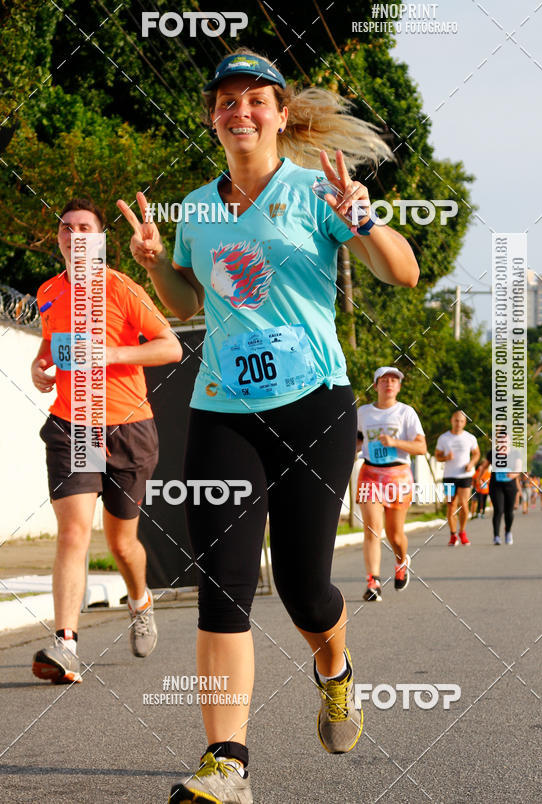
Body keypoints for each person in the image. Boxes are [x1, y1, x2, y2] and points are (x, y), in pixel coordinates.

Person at [118, 49, 419, 804]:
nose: (240, 111)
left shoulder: (318, 191)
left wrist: (365, 219)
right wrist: (156, 262)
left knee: (304, 587)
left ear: (282, 115)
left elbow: (404, 273)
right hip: (223, 410)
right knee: (223, 586)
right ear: (212, 117)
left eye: (257, 99)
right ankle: (227, 763)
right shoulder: (194, 209)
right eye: (226, 100)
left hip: (313, 405)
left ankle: (335, 670)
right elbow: (187, 307)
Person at [31, 198, 182, 684]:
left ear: (98, 240)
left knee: (121, 542)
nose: (75, 235)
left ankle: (140, 600)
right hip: (74, 425)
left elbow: (171, 346)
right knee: (74, 531)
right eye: (67, 228)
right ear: (59, 239)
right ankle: (66, 644)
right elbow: (49, 348)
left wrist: (110, 352)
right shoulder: (48, 292)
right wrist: (40, 368)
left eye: (85, 228)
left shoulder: (119, 286)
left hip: (128, 425)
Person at [356, 366, 426, 602]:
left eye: (394, 380)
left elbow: (421, 447)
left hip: (398, 474)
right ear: (375, 386)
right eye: (384, 380)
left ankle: (401, 562)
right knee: (372, 530)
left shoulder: (406, 413)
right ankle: (373, 582)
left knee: (395, 536)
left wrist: (395, 442)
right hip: (370, 473)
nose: (389, 384)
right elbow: (356, 440)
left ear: (399, 386)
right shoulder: (363, 413)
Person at [435, 411, 480, 546]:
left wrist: (471, 464)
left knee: (464, 506)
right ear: (451, 421)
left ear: (465, 423)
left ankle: (463, 532)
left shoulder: (470, 437)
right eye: (456, 420)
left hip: (464, 476)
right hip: (449, 476)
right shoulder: (444, 438)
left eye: (461, 421)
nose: (458, 423)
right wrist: (445, 458)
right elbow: (437, 456)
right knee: (450, 506)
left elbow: (476, 454)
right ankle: (453, 534)